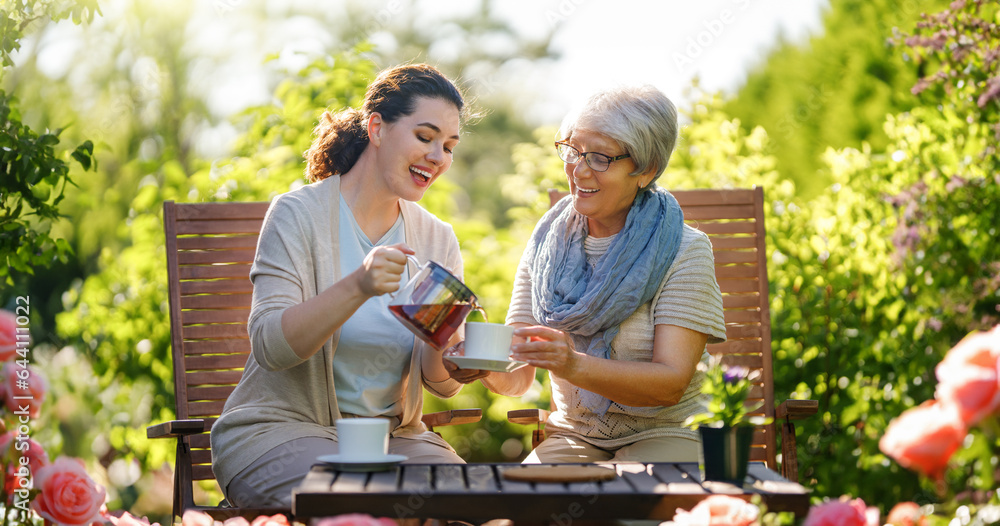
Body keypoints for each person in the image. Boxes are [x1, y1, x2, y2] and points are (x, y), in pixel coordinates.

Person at [211, 63, 478, 507]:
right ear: (377, 128)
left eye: (448, 146)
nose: (438, 157)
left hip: (394, 441)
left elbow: (439, 381)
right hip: (282, 431)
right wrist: (358, 285)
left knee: (474, 504)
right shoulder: (297, 215)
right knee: (362, 504)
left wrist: (455, 359)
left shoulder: (437, 238)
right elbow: (270, 346)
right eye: (425, 137)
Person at [474, 85, 727, 463]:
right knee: (523, 510)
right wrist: (479, 363)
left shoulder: (684, 250)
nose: (578, 169)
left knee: (629, 515)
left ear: (647, 170)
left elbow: (670, 384)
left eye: (600, 157)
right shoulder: (547, 245)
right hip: (575, 437)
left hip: (668, 433)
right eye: (573, 150)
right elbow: (518, 377)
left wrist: (573, 364)